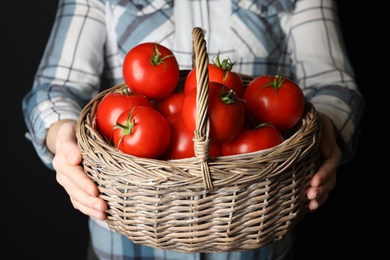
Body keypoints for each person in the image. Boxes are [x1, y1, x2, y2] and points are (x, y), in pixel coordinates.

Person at [22, 0, 364, 259]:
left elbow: (332, 85)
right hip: (124, 242)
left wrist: (328, 126)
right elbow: (55, 89)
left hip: (258, 236)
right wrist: (62, 137)